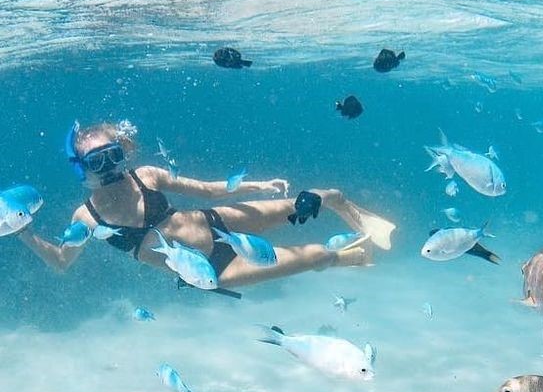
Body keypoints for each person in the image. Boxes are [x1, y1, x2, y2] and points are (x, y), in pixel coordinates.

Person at [17, 119, 395, 290]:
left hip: (218, 220)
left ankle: (344, 205)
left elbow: (209, 190)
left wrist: (257, 184)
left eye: (114, 156)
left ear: (124, 153)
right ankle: (349, 257)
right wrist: (24, 231)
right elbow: (63, 262)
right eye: (98, 162)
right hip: (216, 270)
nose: (110, 168)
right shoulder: (85, 218)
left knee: (300, 203)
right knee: (314, 254)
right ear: (82, 168)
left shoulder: (145, 176)